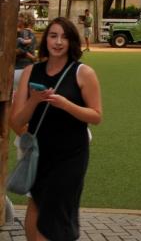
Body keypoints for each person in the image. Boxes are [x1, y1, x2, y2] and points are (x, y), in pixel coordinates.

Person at [11, 17, 102, 241]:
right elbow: (15, 122)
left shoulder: (84, 73)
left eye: (65, 37)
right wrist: (34, 100)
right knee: (37, 203)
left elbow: (96, 116)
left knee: (54, 215)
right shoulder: (31, 72)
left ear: (72, 42)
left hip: (71, 155)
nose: (58, 42)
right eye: (53, 36)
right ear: (46, 40)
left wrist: (66, 104)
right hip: (39, 153)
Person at [14, 11, 37, 88]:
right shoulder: (32, 34)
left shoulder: (24, 33)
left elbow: (21, 50)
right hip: (29, 69)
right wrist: (32, 57)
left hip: (19, 69)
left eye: (19, 20)